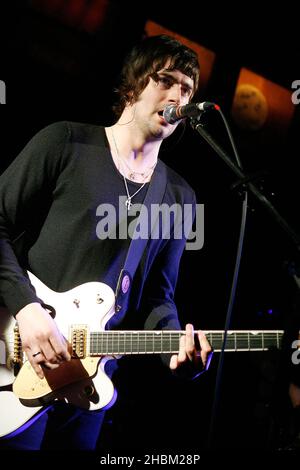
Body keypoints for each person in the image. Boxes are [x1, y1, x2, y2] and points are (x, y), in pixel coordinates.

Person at [0, 34, 213, 451]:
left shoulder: (178, 196)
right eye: (165, 80)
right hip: (17, 352)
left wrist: (175, 346)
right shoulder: (65, 143)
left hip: (90, 386)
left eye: (186, 89)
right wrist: (26, 308)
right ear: (133, 85)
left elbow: (157, 297)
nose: (177, 95)